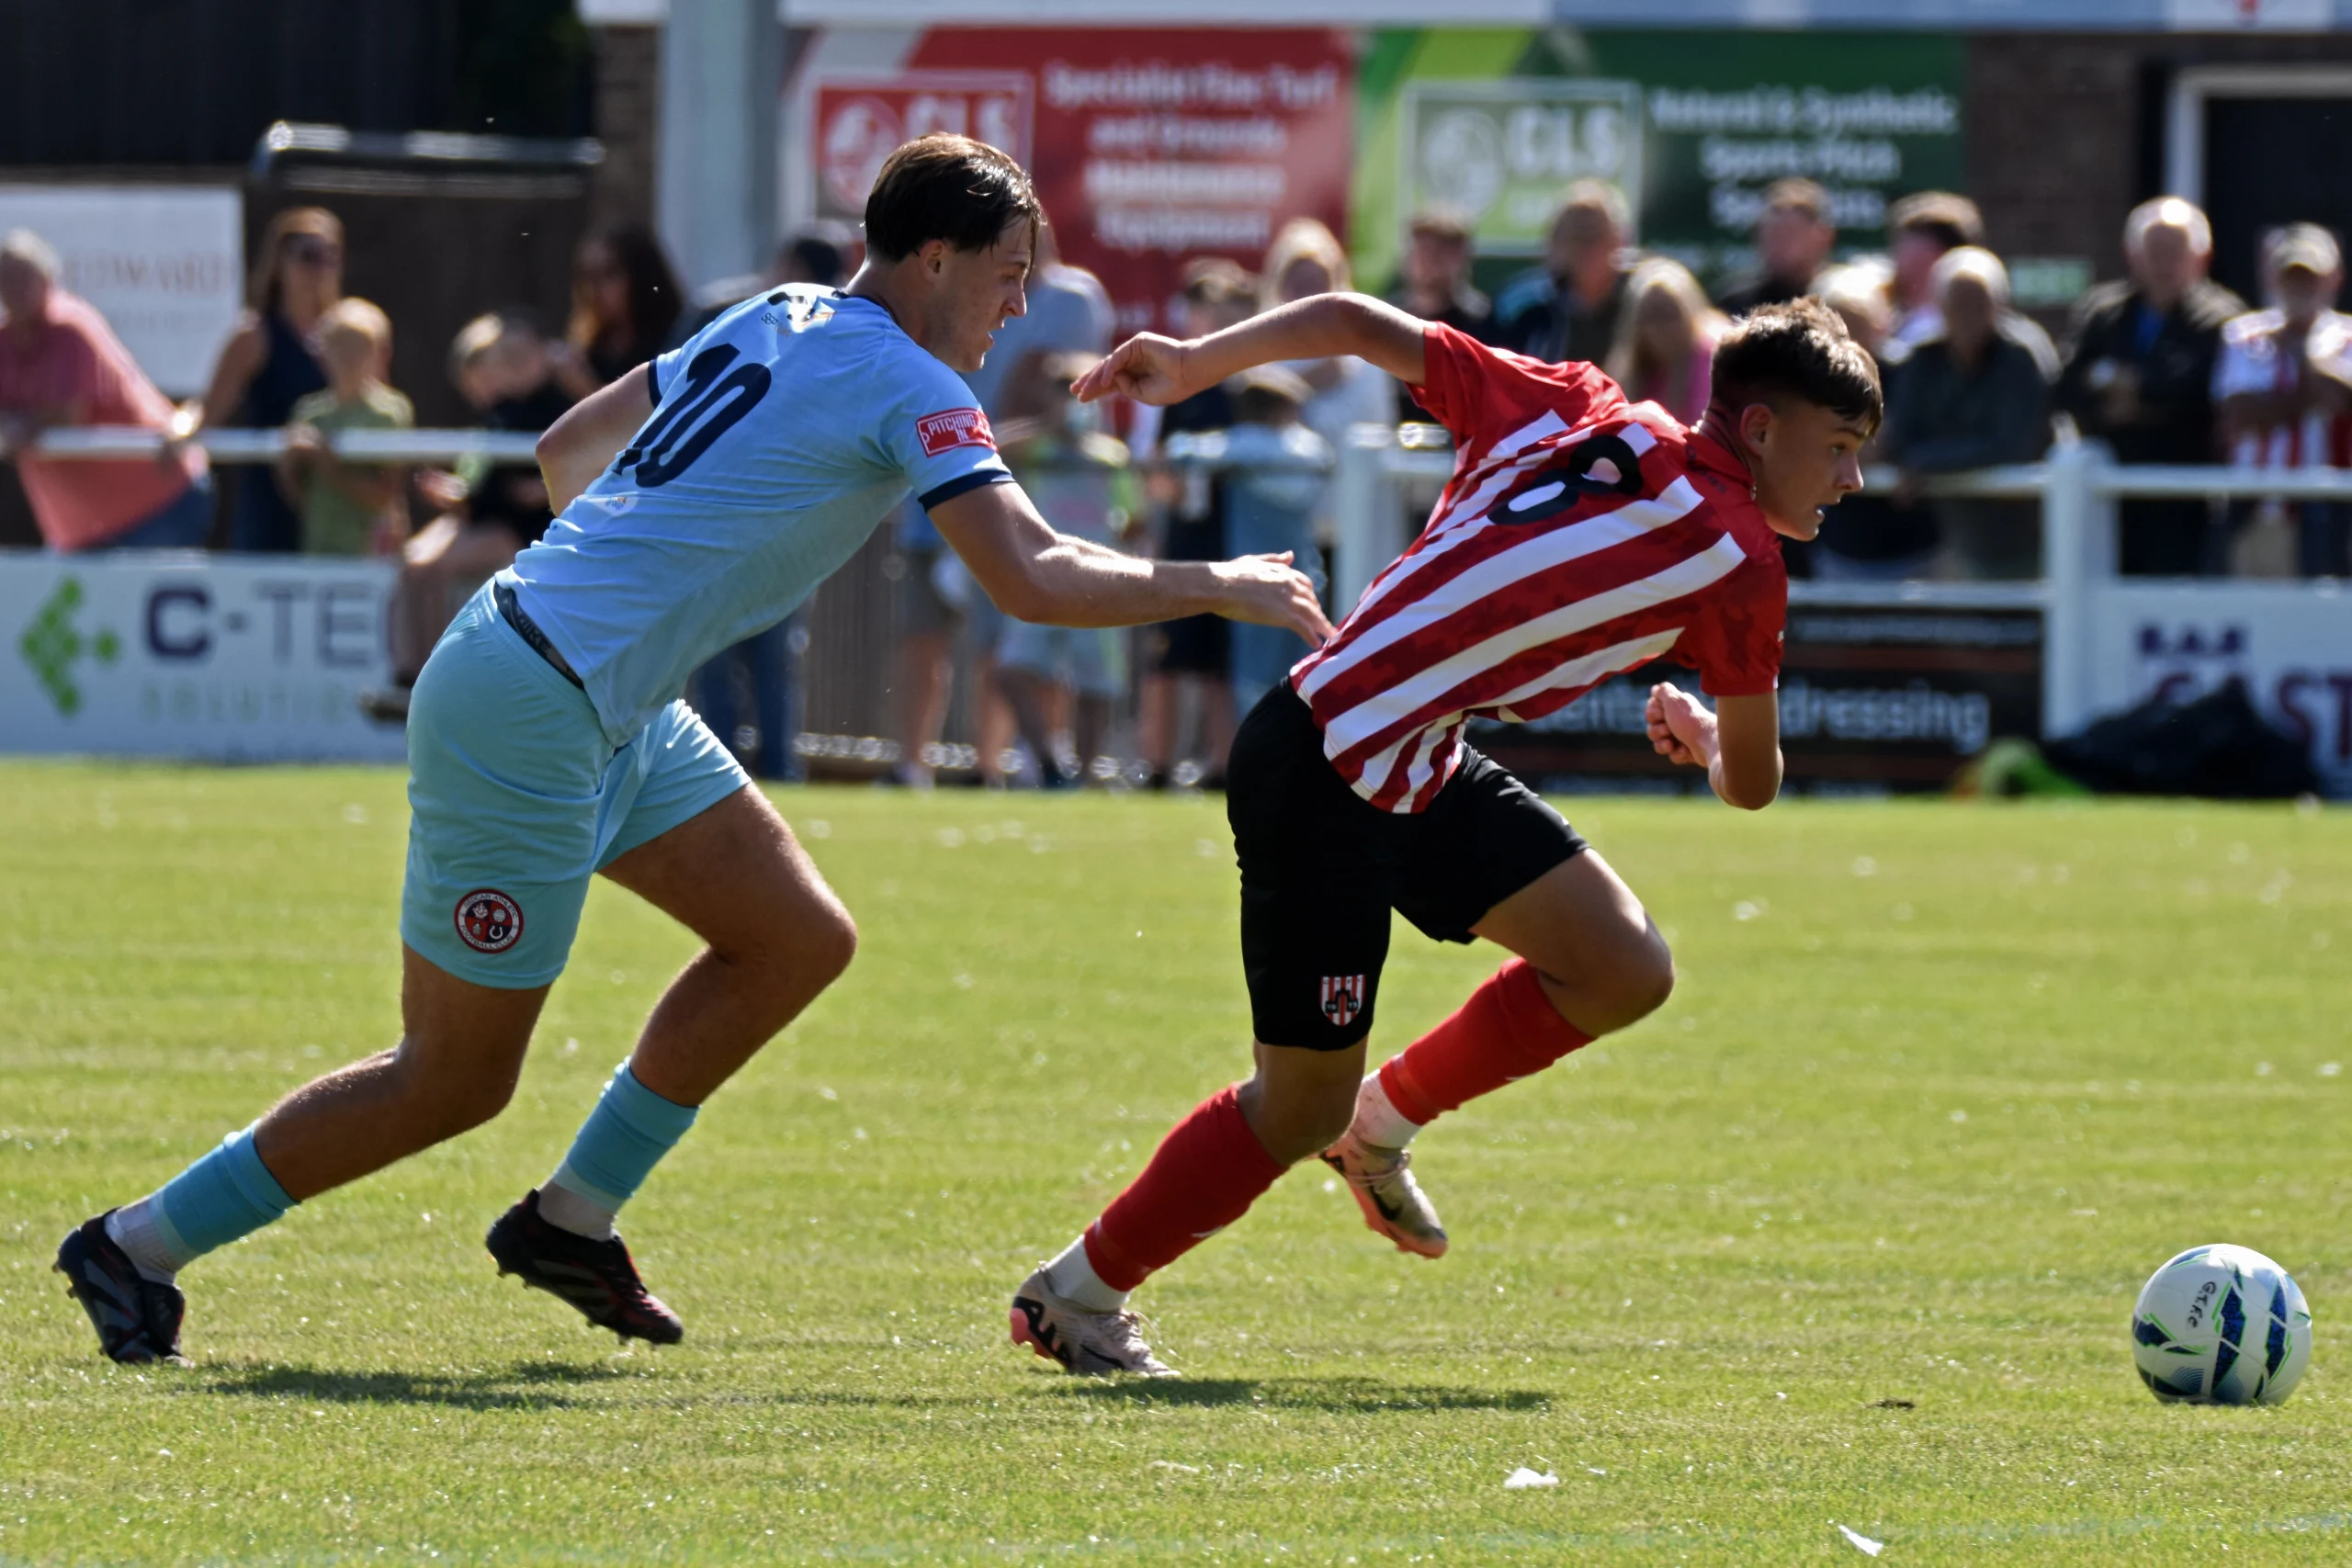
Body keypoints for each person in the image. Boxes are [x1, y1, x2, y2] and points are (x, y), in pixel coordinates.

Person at [54, 133, 1331, 1367]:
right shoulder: (914, 382)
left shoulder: (779, 310)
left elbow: (569, 452)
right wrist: (1216, 581)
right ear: (933, 259)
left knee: (794, 936)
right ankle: (134, 1244)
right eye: (1007, 277)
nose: (1014, 310)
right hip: (534, 708)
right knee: (448, 1078)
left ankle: (570, 1219)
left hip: (580, 680)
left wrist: (623, 604)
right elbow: (1035, 575)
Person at [1008, 292, 1878, 1377]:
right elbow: (1751, 785)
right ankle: (1074, 1296)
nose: (1849, 480)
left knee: (1620, 965)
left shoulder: (1579, 404)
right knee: (1293, 1102)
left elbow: (1351, 318)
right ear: (1758, 431)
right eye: (1839, 449)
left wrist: (1194, 358)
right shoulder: (1740, 558)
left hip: (1405, 754)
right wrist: (1703, 734)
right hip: (1328, 765)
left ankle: (1376, 1127)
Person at [891, 213, 1113, 788]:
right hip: (932, 479)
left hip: (1018, 494)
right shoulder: (946, 289)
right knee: (924, 634)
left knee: (1012, 641)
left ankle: (1004, 770)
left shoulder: (1074, 300)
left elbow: (1066, 395)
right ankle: (912, 764)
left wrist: (995, 444)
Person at [372, 313, 579, 717]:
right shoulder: (500, 415)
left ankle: (433, 681)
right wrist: (458, 495)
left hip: (522, 531)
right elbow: (487, 487)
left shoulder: (559, 405)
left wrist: (541, 490)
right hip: (488, 519)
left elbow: (563, 475)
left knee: (436, 568)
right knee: (414, 563)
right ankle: (407, 674)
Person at [2053, 197, 2247, 577]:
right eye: (2154, 251)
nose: (2164, 263)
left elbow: (2199, 390)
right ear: (2131, 254)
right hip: (2110, 497)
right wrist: (2118, 398)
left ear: (2201, 257)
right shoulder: (2101, 312)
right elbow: (2067, 385)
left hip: (2186, 498)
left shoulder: (2223, 318)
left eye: (2175, 252)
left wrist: (2136, 392)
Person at [0, 229, 212, 551]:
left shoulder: (69, 325)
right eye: (5, 277)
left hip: (156, 506)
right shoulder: (5, 340)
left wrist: (18, 424)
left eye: (22, 276)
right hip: (78, 535)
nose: (13, 287)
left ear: (47, 279)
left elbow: (66, 414)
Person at [992, 350, 1141, 787]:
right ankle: (1050, 762)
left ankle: (1087, 774)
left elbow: (1135, 518)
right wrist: (1046, 429)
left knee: (1095, 687)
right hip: (1042, 575)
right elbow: (992, 448)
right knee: (1012, 671)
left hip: (1097, 578)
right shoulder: (1036, 446)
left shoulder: (1110, 457)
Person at [1136, 258, 1258, 789]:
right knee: (1167, 658)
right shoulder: (1179, 388)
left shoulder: (1249, 389)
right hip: (1185, 537)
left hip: (1235, 536)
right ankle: (1157, 766)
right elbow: (1157, 468)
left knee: (1218, 664)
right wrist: (1172, 483)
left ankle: (1222, 766)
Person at [1880, 248, 2056, 580]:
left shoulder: (2024, 356)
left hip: (2032, 538)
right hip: (1958, 540)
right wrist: (1921, 457)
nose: (1967, 314)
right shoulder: (1923, 358)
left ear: (2001, 306)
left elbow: (2013, 446)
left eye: (1979, 303)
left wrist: (1924, 463)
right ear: (1939, 307)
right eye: (1957, 303)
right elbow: (1899, 436)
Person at [187, 207, 340, 553]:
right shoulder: (254, 335)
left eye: (330, 256)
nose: (320, 268)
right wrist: (177, 431)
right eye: (308, 256)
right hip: (270, 502)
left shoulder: (349, 334)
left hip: (336, 502)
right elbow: (208, 412)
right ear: (280, 263)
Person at [2211, 223, 2352, 579]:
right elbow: (2240, 413)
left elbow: (2344, 399)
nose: (2301, 288)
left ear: (2334, 279)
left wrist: (2312, 356)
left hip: (2330, 506)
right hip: (2258, 504)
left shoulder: (2346, 337)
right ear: (2273, 280)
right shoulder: (2245, 335)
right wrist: (2314, 394)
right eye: (2291, 277)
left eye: (2311, 278)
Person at [1808, 263, 1938, 581]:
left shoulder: (1912, 372)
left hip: (1914, 549)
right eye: (1835, 324)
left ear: (1880, 323)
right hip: (1841, 549)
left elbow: (1912, 436)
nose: (1847, 336)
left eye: (1856, 322)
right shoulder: (1804, 385)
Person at [1216, 366, 1332, 714]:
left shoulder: (1237, 449)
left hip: (1252, 582)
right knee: (1304, 676)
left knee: (1254, 681)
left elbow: (1184, 452)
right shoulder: (1310, 451)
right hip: (1304, 578)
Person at [278, 299, 413, 558]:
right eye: (338, 345)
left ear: (379, 353)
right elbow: (298, 494)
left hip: (372, 552)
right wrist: (288, 463)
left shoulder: (390, 412)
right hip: (319, 546)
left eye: (360, 346)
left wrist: (327, 463)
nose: (348, 357)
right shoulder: (308, 413)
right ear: (322, 352)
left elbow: (384, 494)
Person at [1493, 180, 1634, 367]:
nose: (1587, 247)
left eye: (1596, 235)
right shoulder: (1521, 306)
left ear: (1619, 240)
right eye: (1576, 236)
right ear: (1555, 242)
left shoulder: (1640, 299)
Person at [552, 221, 683, 400]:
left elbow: (653, 414)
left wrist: (586, 388)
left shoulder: (674, 343)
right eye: (587, 276)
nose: (595, 288)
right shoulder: (590, 349)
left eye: (609, 273)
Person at [1386, 209, 1494, 423]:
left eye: (1442, 253)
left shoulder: (1483, 323)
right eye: (1423, 251)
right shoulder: (1387, 319)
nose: (1431, 262)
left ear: (1462, 259)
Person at [1603, 258, 1727, 425]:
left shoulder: (1712, 362)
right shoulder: (1628, 373)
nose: (1662, 326)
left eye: (1670, 314)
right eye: (1651, 316)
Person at [1883, 191, 1984, 359]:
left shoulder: (1949, 328)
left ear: (1932, 256)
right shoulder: (1893, 319)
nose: (1896, 256)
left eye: (1906, 246)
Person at [1715, 178, 1837, 318]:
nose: (1776, 244)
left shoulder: (1844, 299)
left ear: (1824, 236)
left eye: (1788, 233)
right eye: (1769, 233)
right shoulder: (1736, 303)